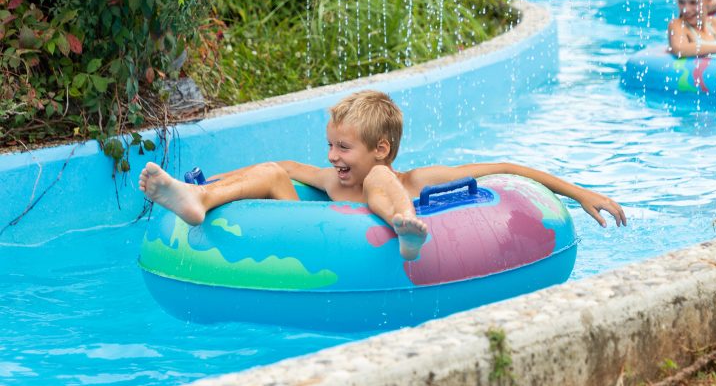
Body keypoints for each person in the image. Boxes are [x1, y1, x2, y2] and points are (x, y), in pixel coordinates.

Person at [139, 90, 626, 262]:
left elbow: (506, 168)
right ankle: (197, 200)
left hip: (385, 232)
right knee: (272, 169)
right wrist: (214, 182)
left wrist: (581, 192)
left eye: (343, 147)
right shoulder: (333, 183)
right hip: (307, 238)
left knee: (378, 184)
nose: (332, 157)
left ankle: (405, 230)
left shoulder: (407, 177)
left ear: (381, 148)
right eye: (330, 144)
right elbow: (281, 171)